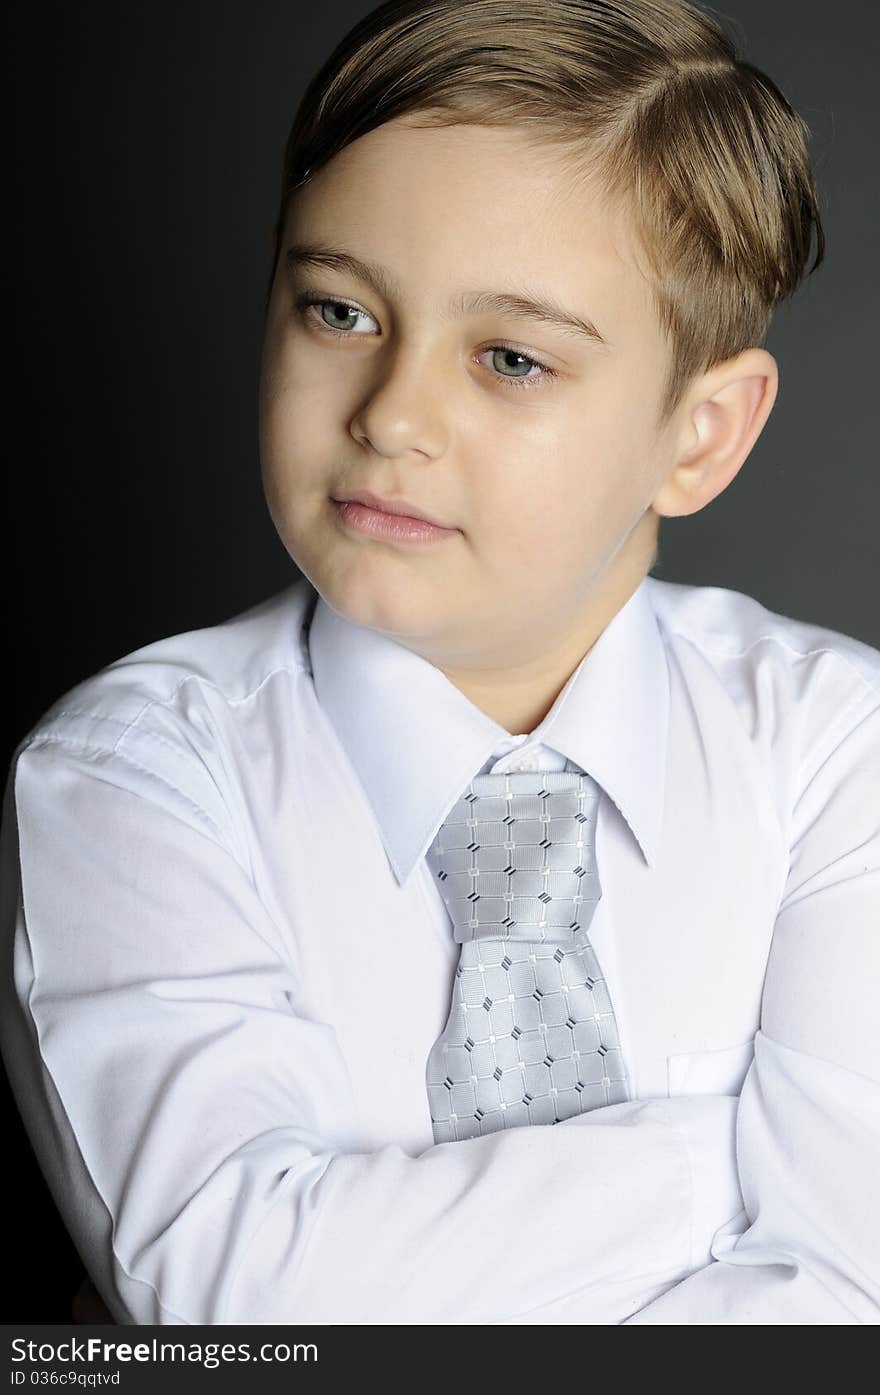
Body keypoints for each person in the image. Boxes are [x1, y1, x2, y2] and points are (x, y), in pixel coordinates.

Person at [1, 0, 877, 1326]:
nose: (393, 414)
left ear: (698, 436)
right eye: (338, 309)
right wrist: (723, 1164)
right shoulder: (130, 779)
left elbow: (843, 1301)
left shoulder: (832, 752)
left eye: (511, 358)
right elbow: (236, 1306)